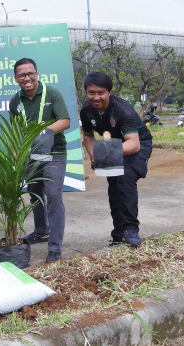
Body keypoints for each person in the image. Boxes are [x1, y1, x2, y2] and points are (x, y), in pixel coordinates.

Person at [80, 72, 153, 248]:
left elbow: (134, 144)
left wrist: (105, 152)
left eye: (101, 92)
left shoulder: (122, 109)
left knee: (125, 177)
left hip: (138, 145)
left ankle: (131, 230)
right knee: (114, 186)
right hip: (111, 146)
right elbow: (88, 136)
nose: (96, 97)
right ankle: (118, 234)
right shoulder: (86, 110)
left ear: (109, 92)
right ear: (86, 92)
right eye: (91, 93)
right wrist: (93, 155)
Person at [9, 58, 70, 263]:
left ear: (37, 74)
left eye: (30, 74)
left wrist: (42, 132)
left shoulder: (52, 93)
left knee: (53, 196)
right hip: (30, 155)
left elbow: (65, 121)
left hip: (55, 153)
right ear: (16, 78)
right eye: (22, 75)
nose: (27, 78)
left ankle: (55, 248)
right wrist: (15, 153)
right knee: (34, 194)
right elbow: (15, 130)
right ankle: (40, 230)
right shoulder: (15, 101)